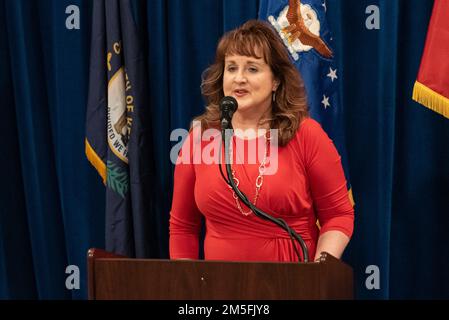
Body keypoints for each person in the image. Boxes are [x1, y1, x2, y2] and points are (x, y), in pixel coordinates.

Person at [169, 20, 354, 262]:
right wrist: (188, 288)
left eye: (252, 69)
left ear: (276, 80)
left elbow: (339, 216)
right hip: (219, 289)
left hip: (294, 285)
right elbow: (183, 226)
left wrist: (319, 272)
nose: (239, 79)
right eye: (232, 68)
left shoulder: (306, 135)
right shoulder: (199, 139)